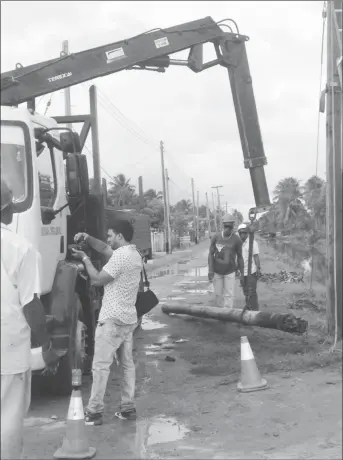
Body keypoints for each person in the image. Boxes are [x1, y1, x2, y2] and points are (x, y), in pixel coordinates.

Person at [1, 178, 60, 459]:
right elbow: (31, 305)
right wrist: (47, 346)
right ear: (7, 208)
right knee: (8, 424)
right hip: (7, 352)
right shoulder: (20, 248)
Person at [72, 220, 142, 425]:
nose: (108, 239)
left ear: (120, 236)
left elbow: (96, 279)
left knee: (101, 367)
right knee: (127, 365)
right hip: (128, 319)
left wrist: (84, 258)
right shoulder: (134, 254)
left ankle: (94, 412)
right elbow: (104, 248)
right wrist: (87, 238)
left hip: (111, 320)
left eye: (111, 235)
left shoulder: (120, 257)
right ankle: (128, 409)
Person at [208, 214, 244, 309]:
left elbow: (240, 257)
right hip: (217, 271)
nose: (228, 229)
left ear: (233, 226)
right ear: (222, 226)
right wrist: (210, 270)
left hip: (230, 271)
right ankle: (220, 313)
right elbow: (211, 254)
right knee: (218, 295)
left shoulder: (237, 240)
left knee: (229, 295)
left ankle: (227, 315)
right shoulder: (216, 237)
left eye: (230, 226)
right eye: (226, 226)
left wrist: (242, 272)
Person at [237, 223, 261, 311]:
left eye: (244, 232)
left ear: (247, 233)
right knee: (246, 292)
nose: (242, 234)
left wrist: (258, 268)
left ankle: (254, 311)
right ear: (239, 233)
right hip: (242, 273)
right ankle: (249, 307)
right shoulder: (238, 243)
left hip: (252, 272)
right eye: (241, 233)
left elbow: (256, 256)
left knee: (252, 292)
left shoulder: (252, 243)